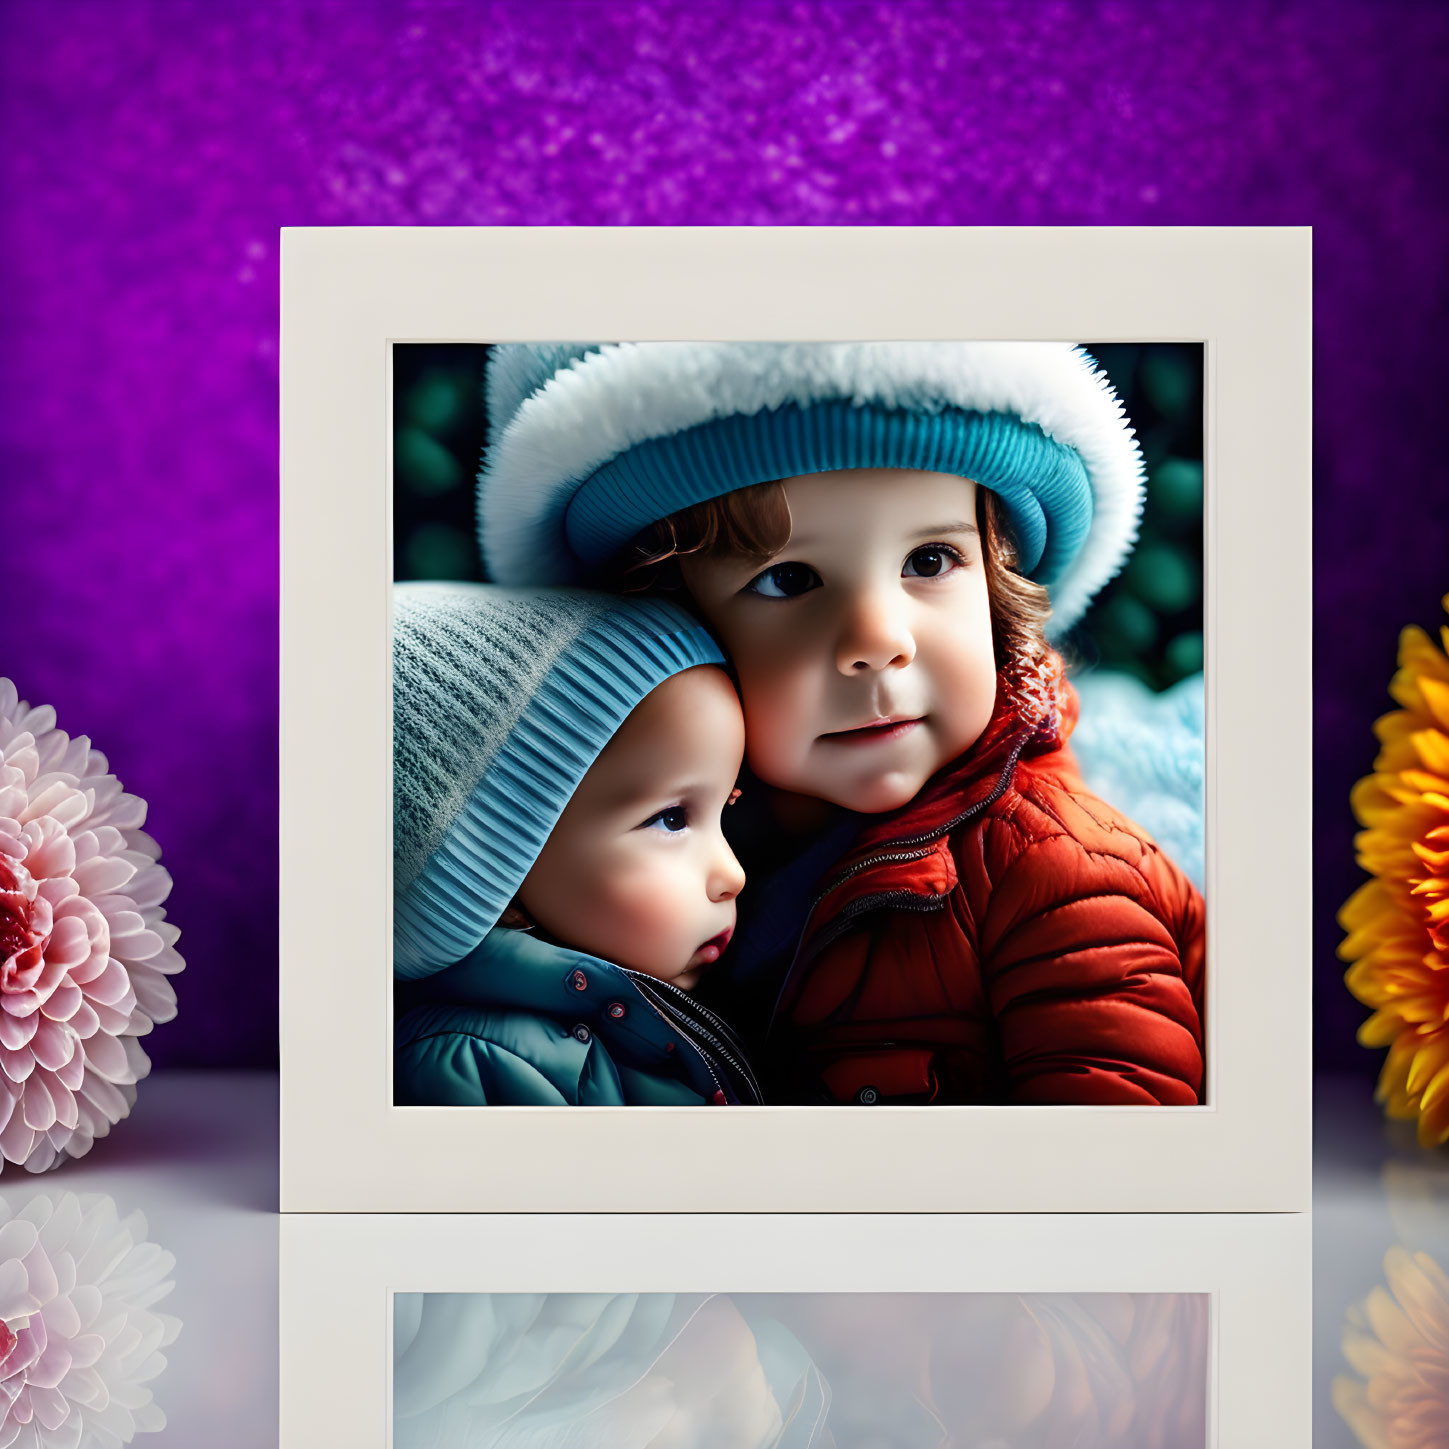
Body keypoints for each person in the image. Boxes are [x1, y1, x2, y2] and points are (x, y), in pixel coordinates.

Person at [476, 342, 1205, 1106]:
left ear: (996, 594)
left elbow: (1120, 1179)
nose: (877, 639)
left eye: (929, 560)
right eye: (787, 579)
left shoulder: (1055, 874)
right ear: (673, 637)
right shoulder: (637, 856)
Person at [393, 582, 759, 1106]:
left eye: (726, 808)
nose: (734, 874)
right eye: (672, 819)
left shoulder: (675, 1005)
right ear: (496, 863)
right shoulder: (472, 1064)